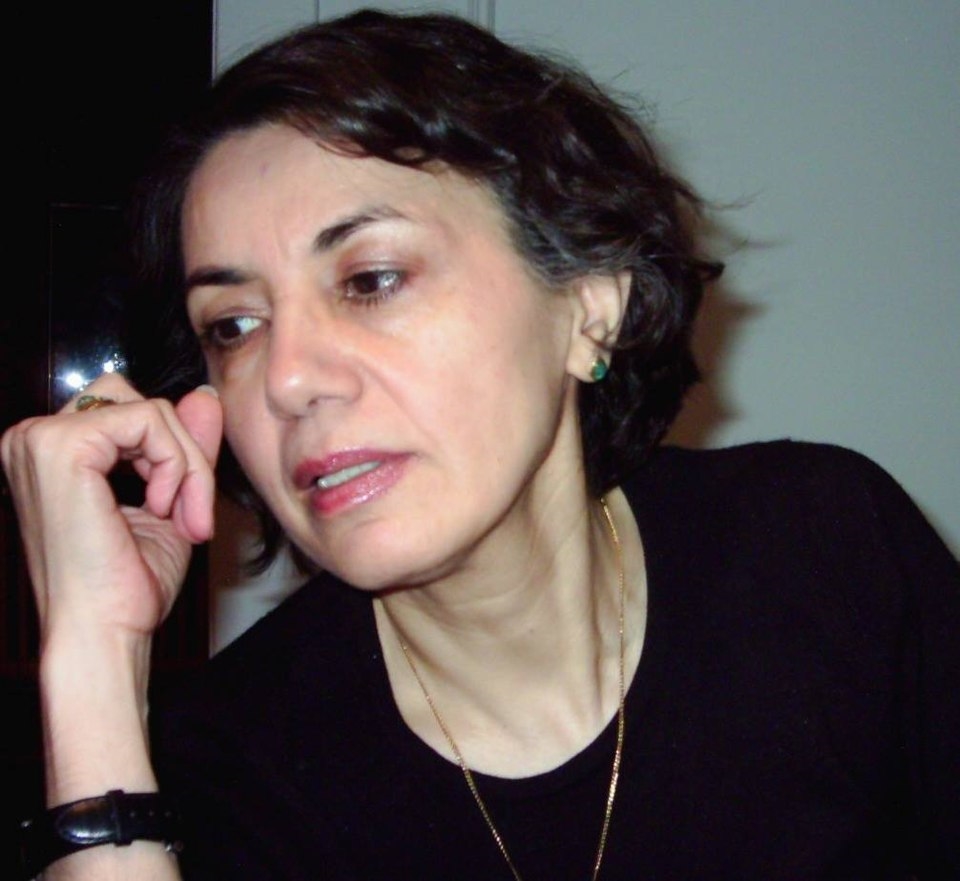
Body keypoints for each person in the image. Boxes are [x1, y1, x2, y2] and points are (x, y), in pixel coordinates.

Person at [3, 9, 958, 880]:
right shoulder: (227, 764)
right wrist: (91, 658)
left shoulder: (830, 552)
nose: (287, 379)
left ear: (587, 304)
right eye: (234, 326)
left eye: (371, 279)